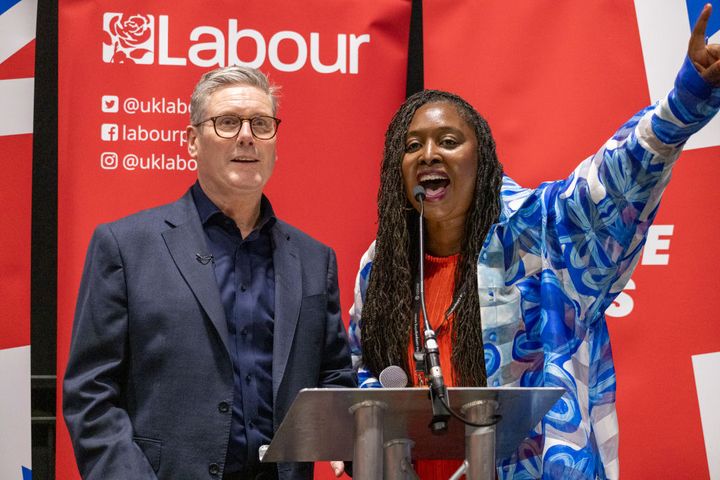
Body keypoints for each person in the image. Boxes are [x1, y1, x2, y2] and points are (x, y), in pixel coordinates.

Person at [349, 5, 720, 479]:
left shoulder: (539, 231)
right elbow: (361, 372)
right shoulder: (381, 267)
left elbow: (612, 179)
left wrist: (686, 102)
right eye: (412, 145)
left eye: (447, 140)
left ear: (481, 160)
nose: (428, 154)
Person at [63, 66, 356, 480]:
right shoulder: (125, 246)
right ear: (191, 142)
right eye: (227, 122)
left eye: (261, 124)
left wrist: (346, 437)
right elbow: (90, 393)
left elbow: (334, 378)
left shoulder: (313, 259)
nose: (246, 136)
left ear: (275, 142)